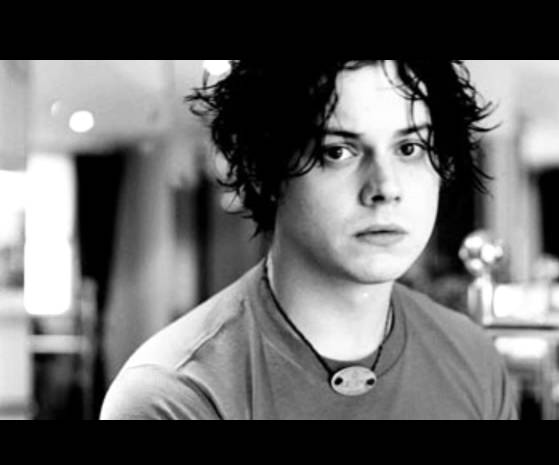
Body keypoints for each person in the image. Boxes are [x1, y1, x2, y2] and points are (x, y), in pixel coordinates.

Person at [100, 60, 518, 420]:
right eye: (338, 152)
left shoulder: (473, 360)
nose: (386, 187)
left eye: (410, 148)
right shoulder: (174, 395)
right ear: (264, 172)